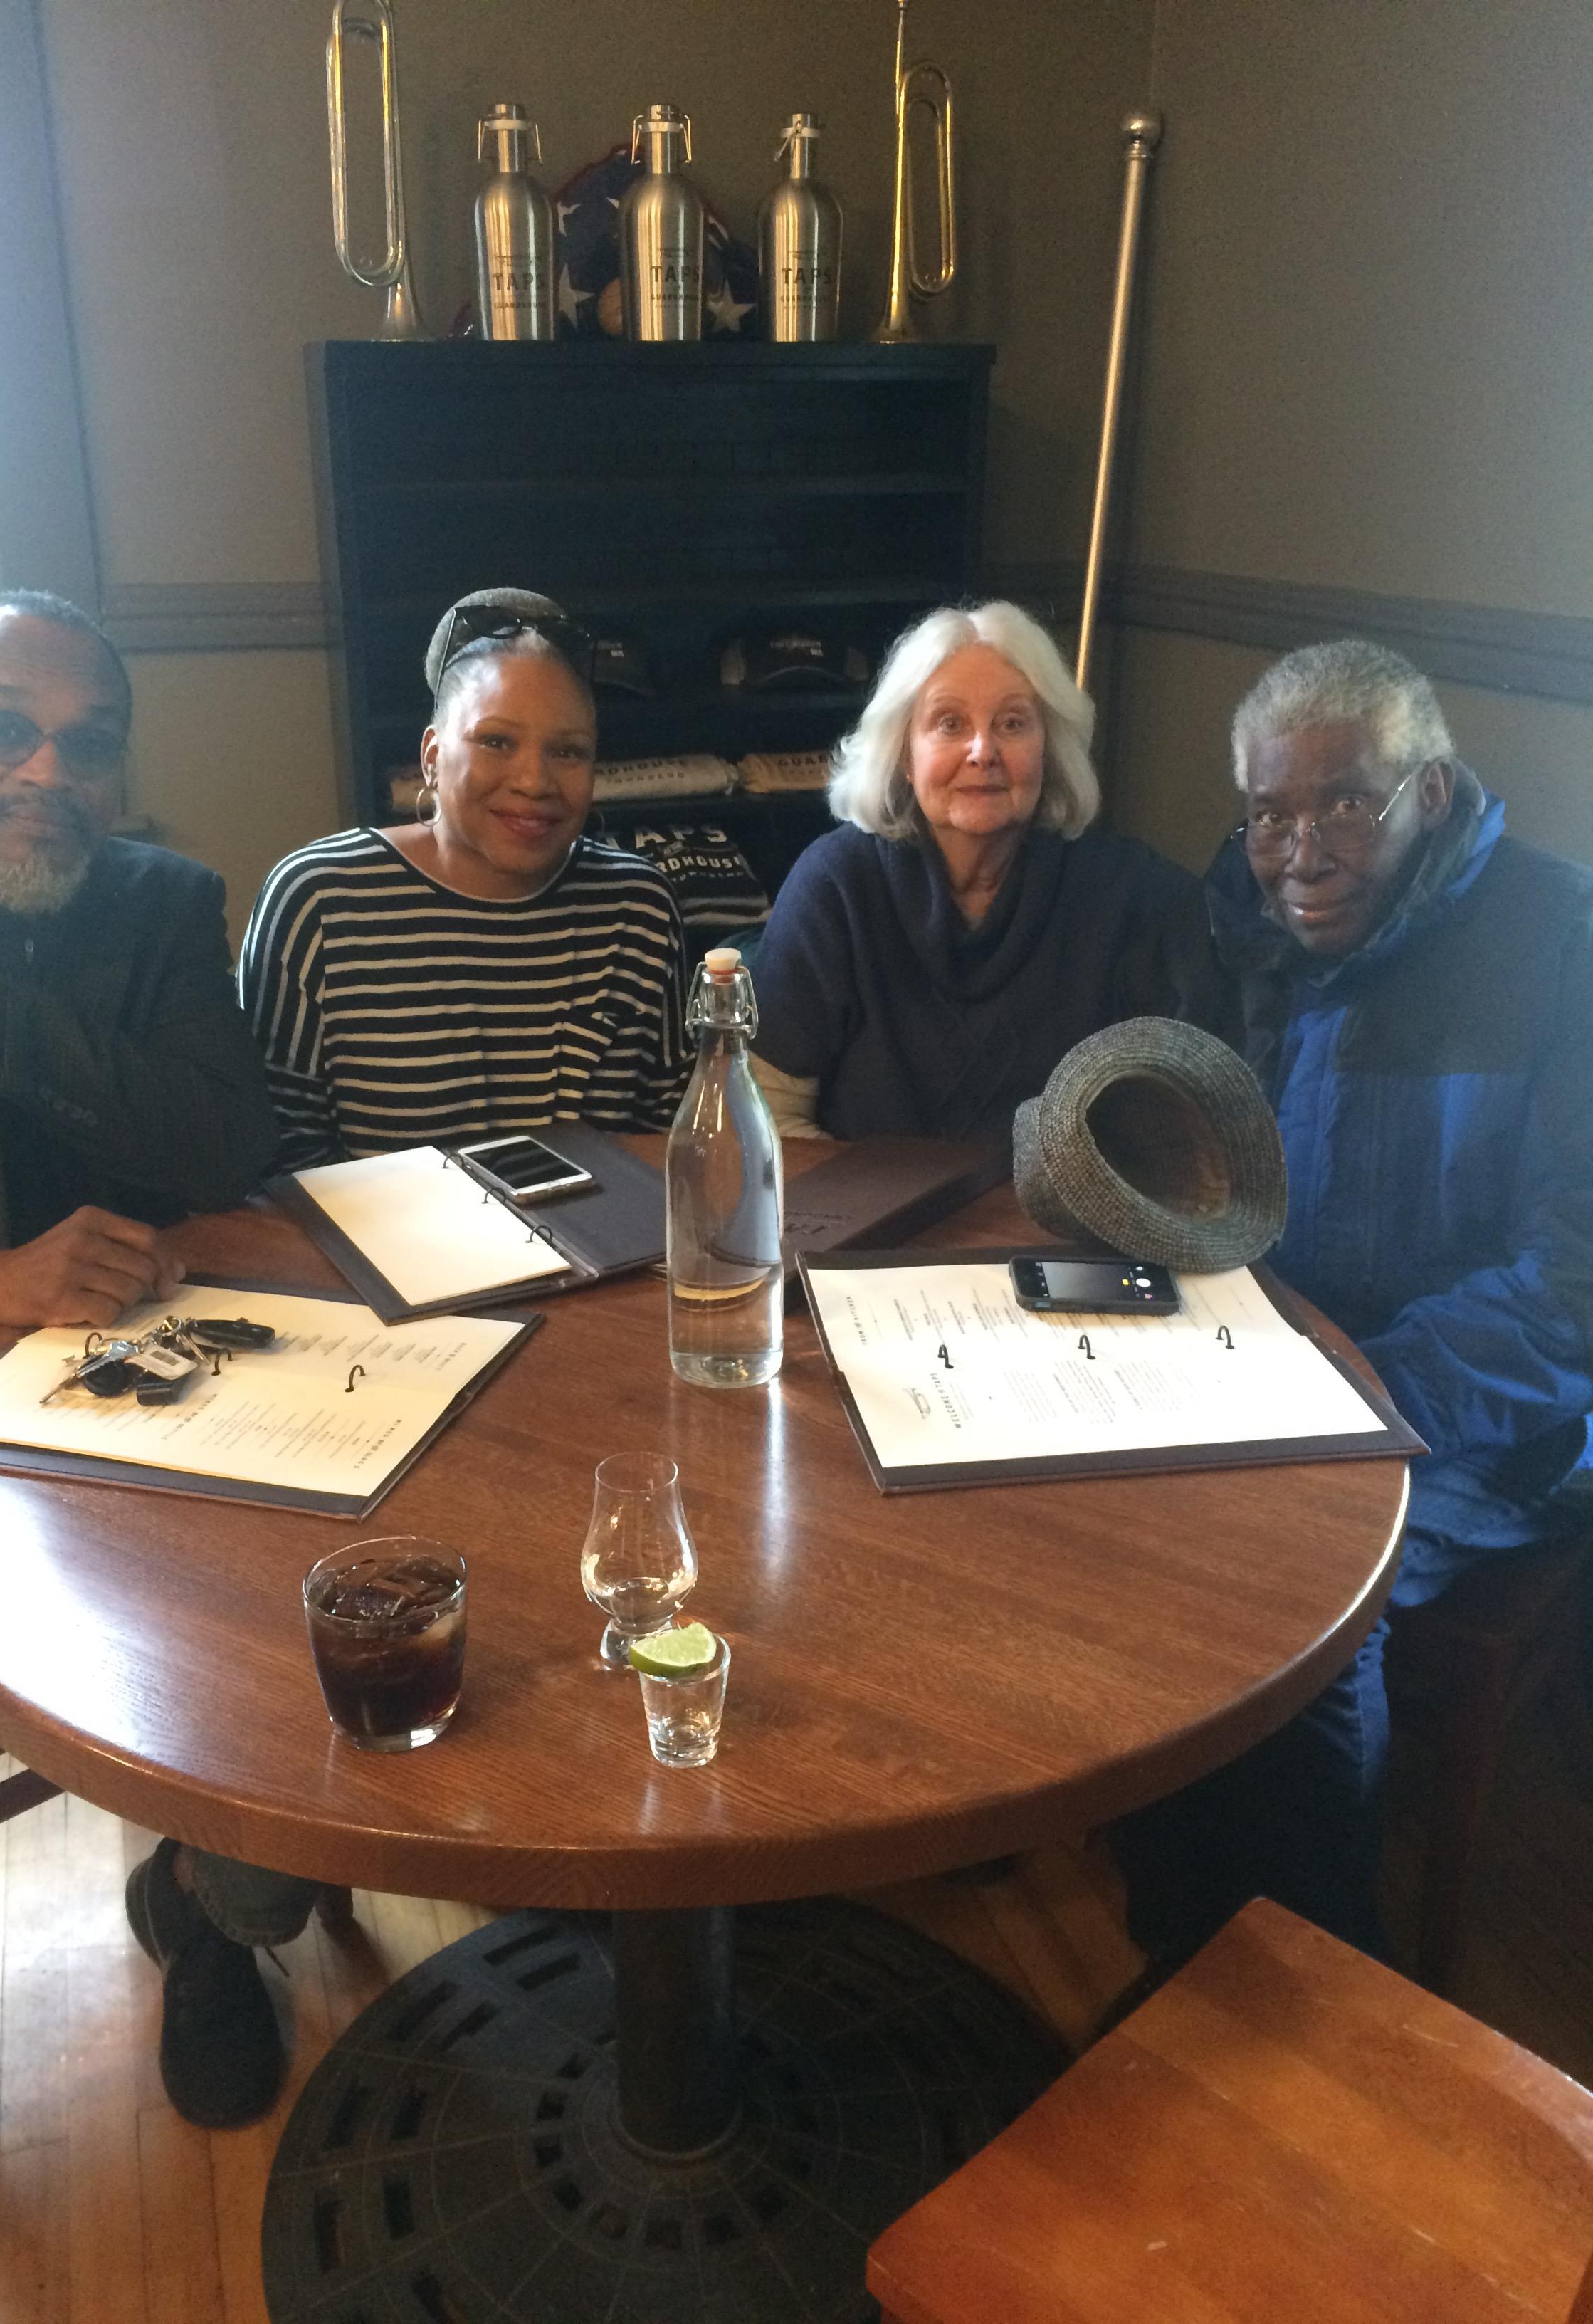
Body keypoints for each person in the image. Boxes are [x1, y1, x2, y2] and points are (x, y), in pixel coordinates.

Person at [0, 591, 309, 2132]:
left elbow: (227, 1142)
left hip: (168, 1374)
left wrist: (7, 1017)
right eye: (4, 727)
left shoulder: (164, 905)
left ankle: (216, 1915)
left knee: (318, 1564)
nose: (47, 770)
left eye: (87, 744)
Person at [1113, 638, 1593, 1961]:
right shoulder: (1246, 930)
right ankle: (1181, 1936)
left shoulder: (1560, 943)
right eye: (1269, 811)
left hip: (1492, 1417)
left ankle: (1318, 1968)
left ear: (1427, 795)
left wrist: (1356, 1393)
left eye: (1343, 802)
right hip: (1281, 1371)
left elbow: (1575, 1286)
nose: (1297, 848)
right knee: (1112, 1530)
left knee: (1295, 1592)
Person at [746, 600, 1233, 1140]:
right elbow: (766, 1120)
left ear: (1048, 748)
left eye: (1013, 723)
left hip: (1064, 1224)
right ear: (906, 756)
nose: (984, 751)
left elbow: (1188, 1135)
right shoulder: (836, 886)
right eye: (949, 724)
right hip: (862, 1221)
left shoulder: (1134, 898)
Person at [241, 587, 689, 1166]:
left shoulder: (639, 908)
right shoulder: (319, 901)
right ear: (432, 756)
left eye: (569, 752)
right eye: (496, 741)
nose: (535, 781)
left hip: (604, 1248)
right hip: (382, 1251)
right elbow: (280, 1159)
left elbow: (671, 1137)